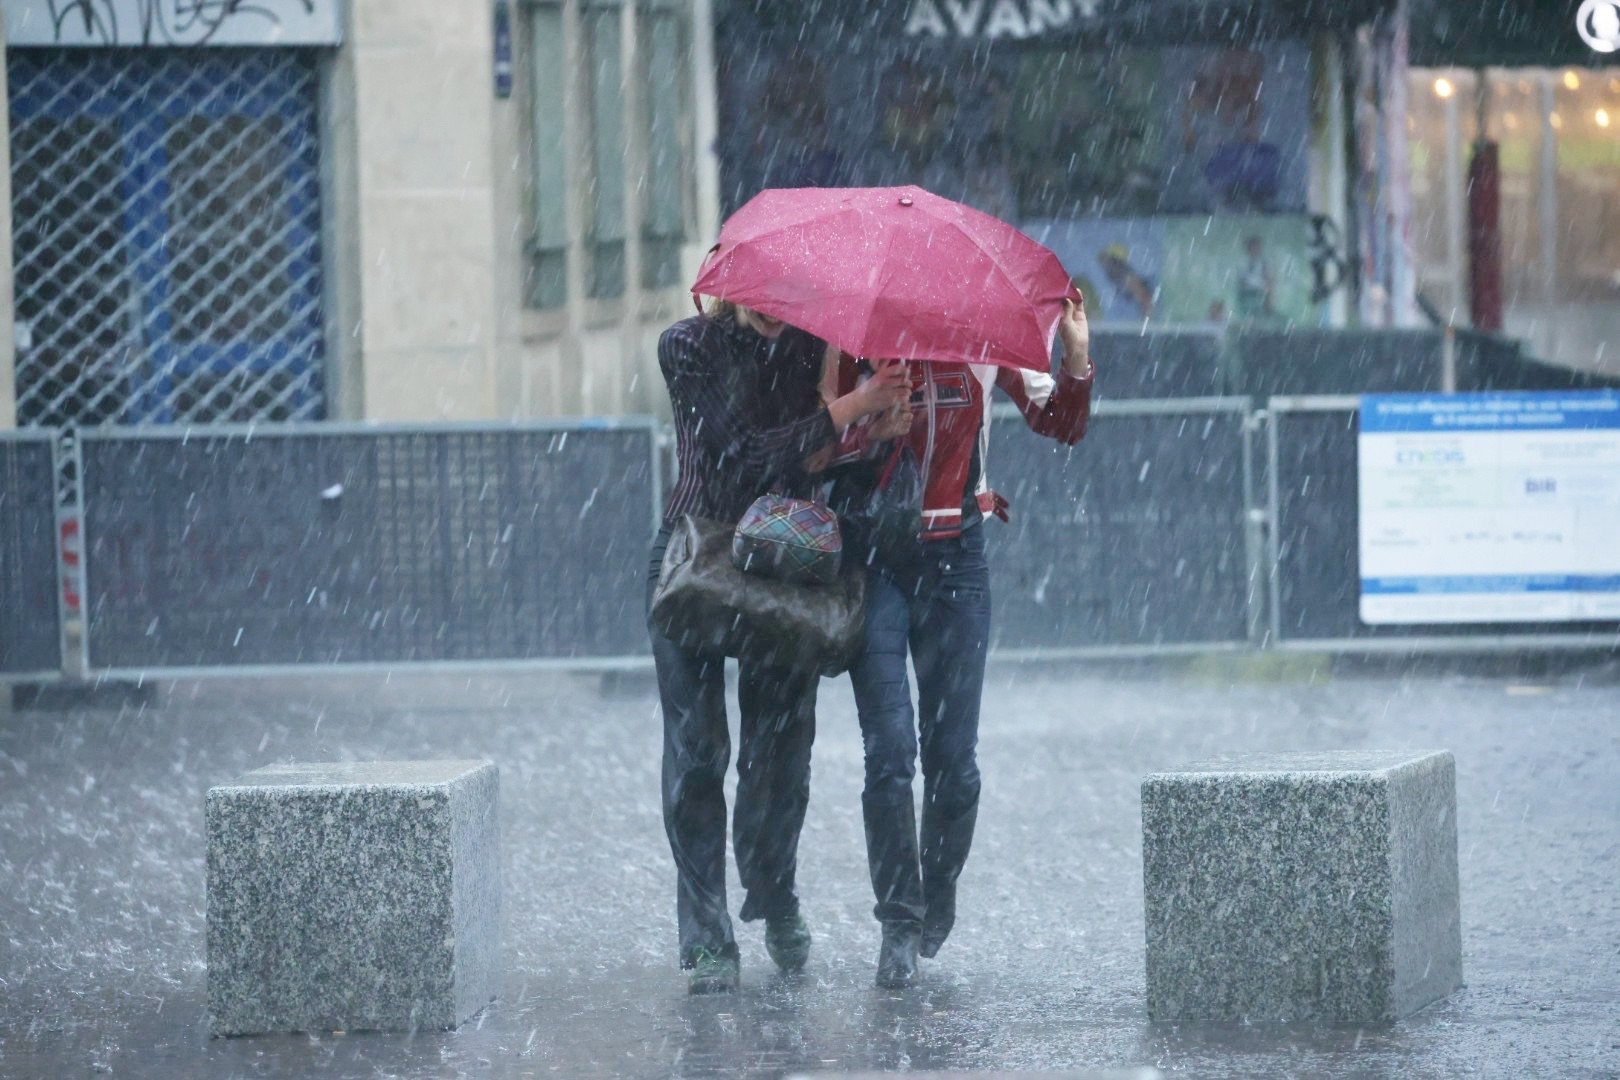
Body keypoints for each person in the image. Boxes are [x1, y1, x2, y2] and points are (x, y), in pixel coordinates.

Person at [826, 297, 1095, 988]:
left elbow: (1061, 422)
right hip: (876, 561)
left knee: (956, 766)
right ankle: (898, 920)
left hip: (956, 565)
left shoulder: (984, 333)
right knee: (889, 753)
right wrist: (871, 414)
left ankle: (936, 892)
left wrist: (1075, 353)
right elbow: (816, 445)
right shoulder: (853, 334)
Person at [650, 299, 911, 995]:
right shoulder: (686, 347)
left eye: (784, 294)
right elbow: (741, 456)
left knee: (779, 756)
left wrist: (877, 432)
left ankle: (774, 897)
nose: (771, 308)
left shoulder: (814, 347)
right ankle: (707, 940)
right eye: (756, 294)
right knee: (698, 751)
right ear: (729, 284)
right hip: (697, 559)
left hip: (782, 562)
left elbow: (815, 463)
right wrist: (853, 405)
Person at [1098, 244, 1156, 321]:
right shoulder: (1119, 298)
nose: (1111, 273)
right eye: (1108, 270)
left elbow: (1149, 323)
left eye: (1115, 265)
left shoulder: (1150, 293)